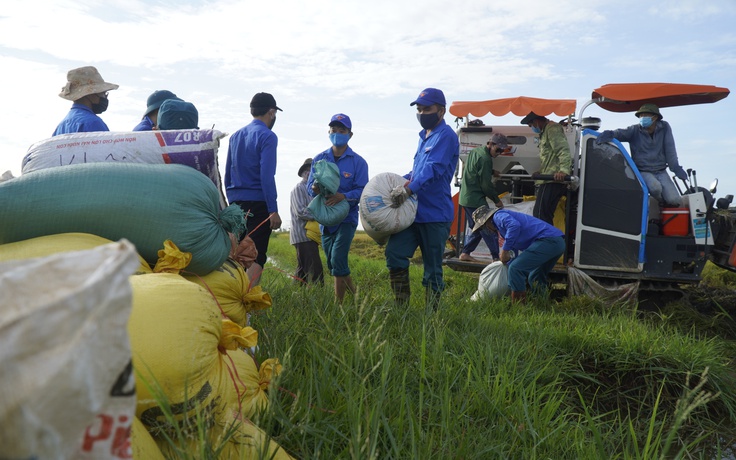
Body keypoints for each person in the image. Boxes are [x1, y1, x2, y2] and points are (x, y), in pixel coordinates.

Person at [387, 88, 460, 311]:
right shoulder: (423, 137)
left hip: (435, 215)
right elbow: (417, 171)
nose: (421, 113)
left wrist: (410, 190)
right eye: (419, 109)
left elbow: (433, 169)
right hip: (413, 213)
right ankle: (401, 307)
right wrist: (400, 182)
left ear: (441, 110)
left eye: (427, 108)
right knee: (394, 252)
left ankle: (432, 315)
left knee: (432, 268)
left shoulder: (446, 136)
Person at [307, 114, 369, 302]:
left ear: (350, 135)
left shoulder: (358, 162)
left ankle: (338, 305)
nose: (337, 134)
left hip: (347, 218)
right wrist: (315, 189)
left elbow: (363, 190)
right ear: (329, 132)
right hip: (326, 220)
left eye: (342, 131)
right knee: (332, 263)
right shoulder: (320, 158)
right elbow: (310, 187)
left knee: (338, 257)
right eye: (334, 130)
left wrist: (344, 196)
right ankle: (356, 298)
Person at [225, 92, 283, 286]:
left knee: (236, 253)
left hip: (236, 202)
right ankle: (247, 305)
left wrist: (230, 203)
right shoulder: (268, 136)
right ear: (272, 112)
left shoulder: (236, 136)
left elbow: (227, 174)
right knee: (256, 255)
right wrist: (272, 209)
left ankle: (229, 298)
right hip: (258, 203)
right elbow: (267, 176)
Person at [595, 103, 688, 207]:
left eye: (645, 115)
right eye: (641, 116)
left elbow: (670, 150)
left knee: (675, 200)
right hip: (643, 171)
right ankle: (661, 202)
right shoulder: (634, 130)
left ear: (655, 117)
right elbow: (620, 133)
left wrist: (676, 168)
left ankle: (666, 205)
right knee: (655, 187)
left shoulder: (665, 127)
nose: (642, 118)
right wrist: (610, 134)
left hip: (661, 170)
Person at [471, 205, 565, 304]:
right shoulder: (501, 227)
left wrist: (505, 250)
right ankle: (542, 303)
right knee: (535, 276)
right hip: (558, 243)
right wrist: (507, 262)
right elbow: (513, 248)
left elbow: (514, 226)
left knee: (516, 269)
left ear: (487, 220)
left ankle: (519, 307)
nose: (487, 229)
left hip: (548, 241)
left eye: (484, 226)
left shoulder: (498, 216)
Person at [458, 133, 508, 263]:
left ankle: (465, 253)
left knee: (478, 227)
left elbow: (476, 168)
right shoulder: (486, 159)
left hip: (465, 197)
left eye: (502, 150)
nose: (499, 153)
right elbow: (486, 186)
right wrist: (497, 200)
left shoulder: (476, 151)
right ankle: (496, 258)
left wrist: (491, 171)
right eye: (498, 149)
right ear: (490, 144)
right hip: (475, 199)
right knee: (488, 227)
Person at [520, 112, 572, 225]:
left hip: (553, 179)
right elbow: (549, 158)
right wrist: (541, 172)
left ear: (536, 121)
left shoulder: (552, 129)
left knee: (540, 214)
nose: (532, 128)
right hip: (548, 177)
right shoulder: (544, 132)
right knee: (544, 214)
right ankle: (550, 239)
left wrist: (563, 171)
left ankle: (547, 240)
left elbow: (563, 150)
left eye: (531, 125)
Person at [53, 66, 118, 136]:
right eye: (103, 93)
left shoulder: (60, 127)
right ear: (90, 94)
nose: (105, 97)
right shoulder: (93, 123)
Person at [290, 158, 324, 286]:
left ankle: (296, 292)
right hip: (302, 234)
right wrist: (320, 216)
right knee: (314, 268)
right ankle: (318, 292)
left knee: (303, 268)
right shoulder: (299, 188)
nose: (309, 173)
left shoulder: (314, 189)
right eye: (307, 170)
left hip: (310, 234)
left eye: (312, 170)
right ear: (303, 173)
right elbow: (301, 211)